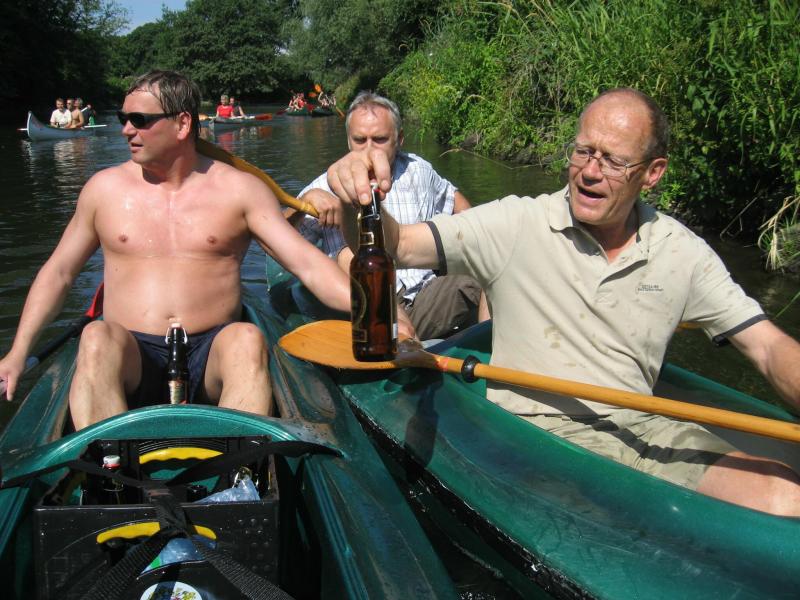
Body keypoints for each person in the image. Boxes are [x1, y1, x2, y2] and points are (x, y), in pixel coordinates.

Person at [322, 87, 800, 516]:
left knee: (782, 493)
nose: (590, 172)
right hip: (536, 440)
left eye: (613, 161)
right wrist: (353, 198)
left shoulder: (683, 252)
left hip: (643, 430)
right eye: (583, 152)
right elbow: (396, 245)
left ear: (653, 173)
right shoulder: (516, 223)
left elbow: (768, 347)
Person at [0, 70, 351, 430]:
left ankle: (236, 459)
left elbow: (307, 265)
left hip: (212, 356)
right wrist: (17, 352)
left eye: (140, 120)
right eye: (123, 118)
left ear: (182, 124)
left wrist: (374, 309)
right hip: (131, 357)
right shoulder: (103, 190)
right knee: (95, 337)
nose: (126, 130)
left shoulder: (240, 191)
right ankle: (110, 461)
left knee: (247, 339)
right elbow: (59, 273)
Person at [291, 91, 484, 340]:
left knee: (488, 265)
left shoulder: (419, 170)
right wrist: (301, 205)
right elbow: (280, 239)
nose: (369, 149)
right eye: (360, 140)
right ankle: (399, 336)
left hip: (426, 295)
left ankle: (493, 348)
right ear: (348, 140)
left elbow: (456, 202)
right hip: (362, 307)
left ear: (399, 139)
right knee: (348, 255)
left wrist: (477, 244)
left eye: (380, 139)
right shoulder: (326, 184)